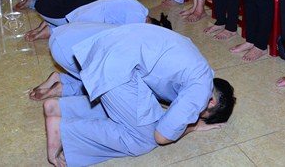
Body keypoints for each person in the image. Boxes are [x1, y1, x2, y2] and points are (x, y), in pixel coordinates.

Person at [40, 22, 236, 167]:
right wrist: (193, 127)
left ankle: (62, 108)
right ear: (211, 102)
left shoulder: (198, 64)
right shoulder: (201, 89)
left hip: (104, 48)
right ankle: (65, 130)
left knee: (135, 113)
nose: (192, 116)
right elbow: (161, 137)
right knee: (145, 137)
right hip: (116, 67)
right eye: (198, 114)